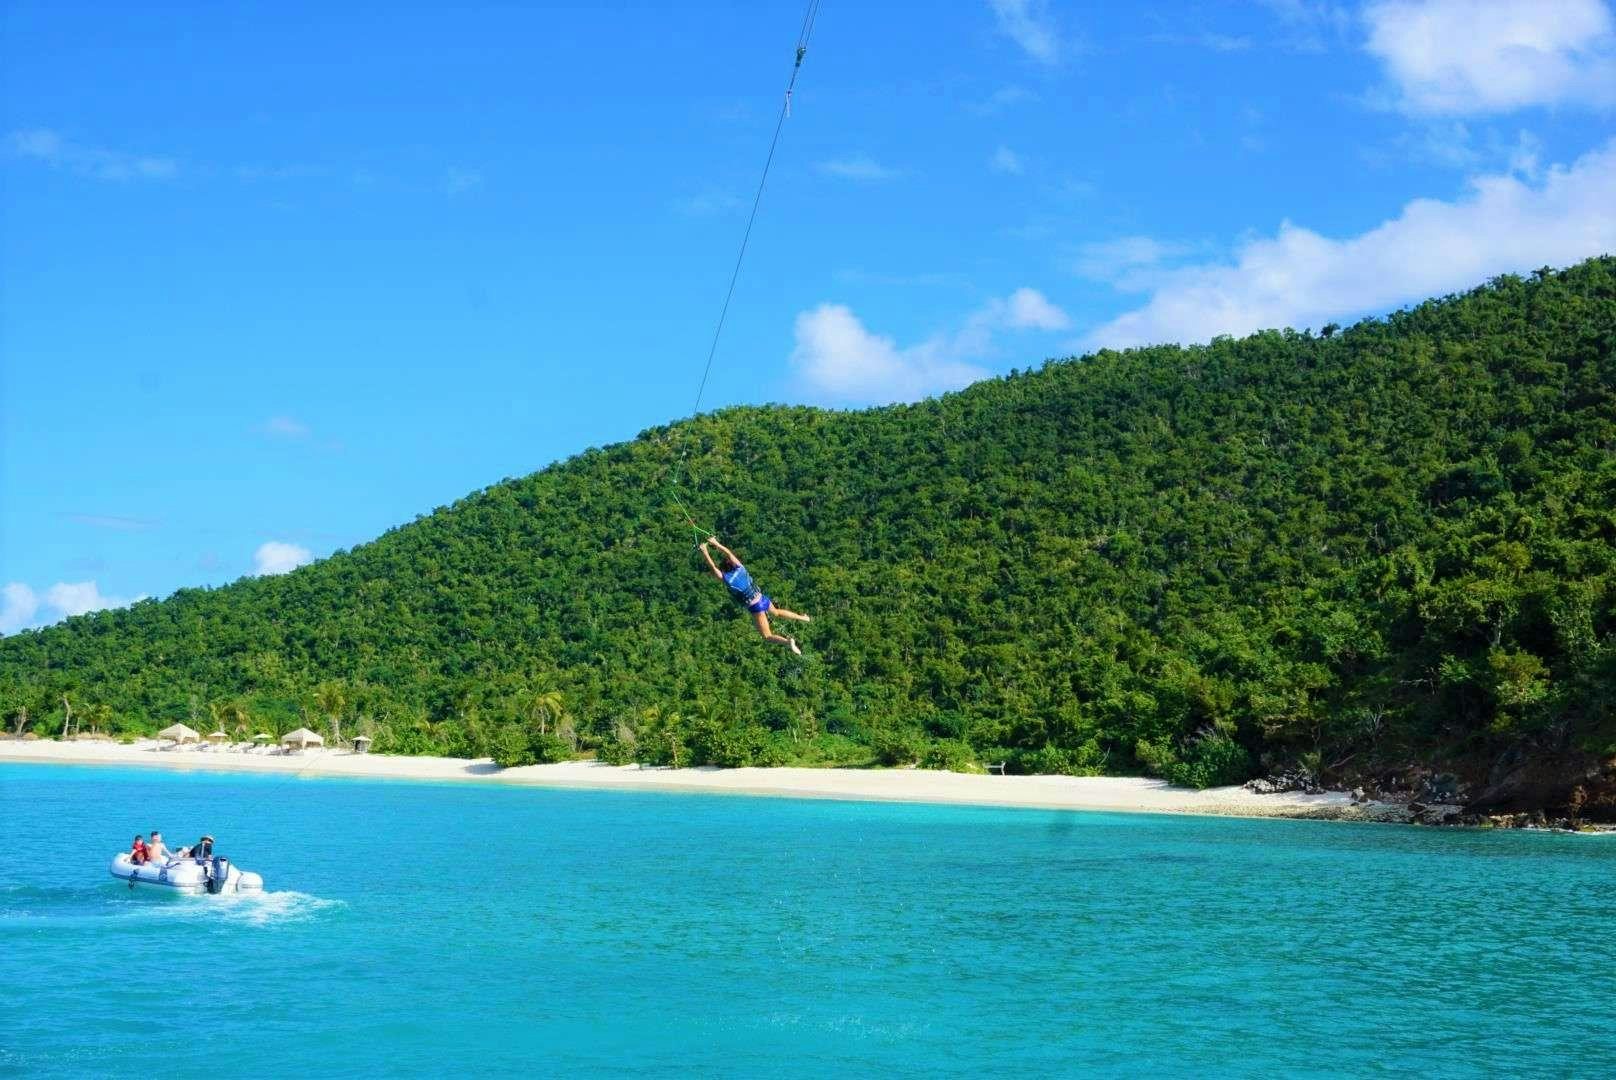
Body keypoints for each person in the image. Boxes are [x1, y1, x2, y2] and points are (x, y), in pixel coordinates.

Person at [698, 536, 810, 654]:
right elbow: (728, 553)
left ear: (724, 570)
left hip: (756, 607)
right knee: (776, 612)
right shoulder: (741, 568)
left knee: (767, 636)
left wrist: (704, 551)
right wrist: (716, 543)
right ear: (732, 564)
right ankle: (803, 618)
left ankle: (788, 642)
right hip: (763, 598)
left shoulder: (726, 579)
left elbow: (713, 567)